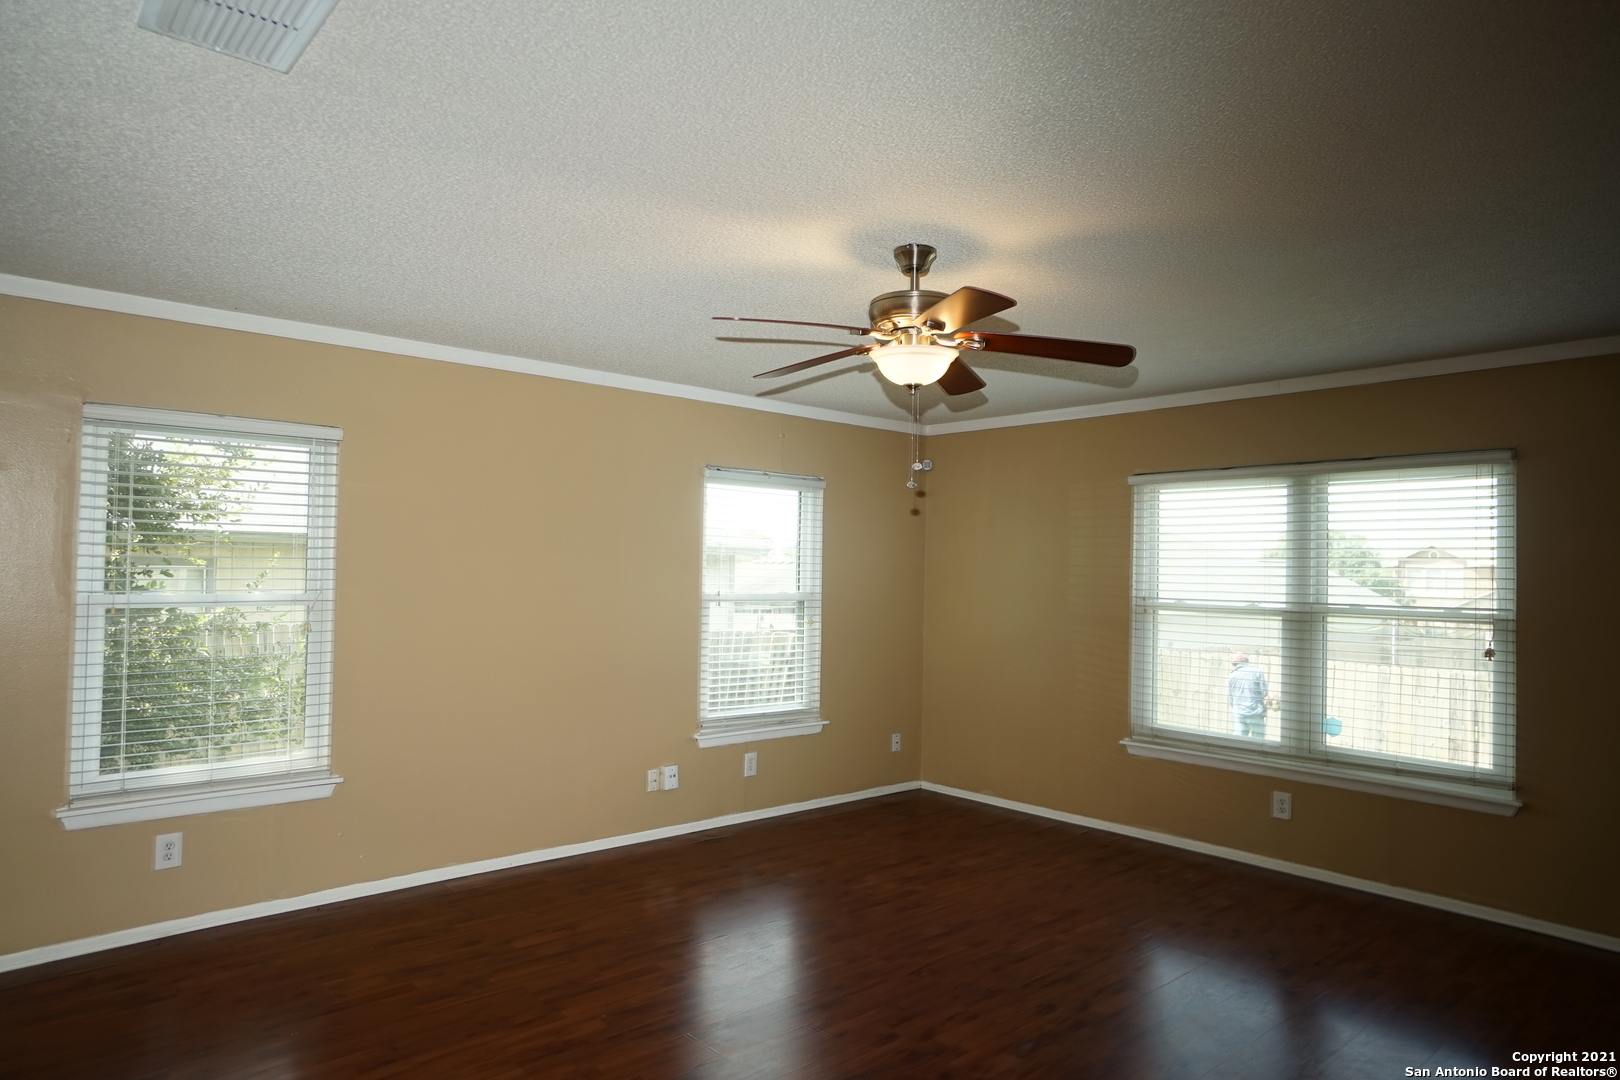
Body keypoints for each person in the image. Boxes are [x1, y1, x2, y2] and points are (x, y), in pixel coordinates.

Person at [1227, 650, 1270, 739]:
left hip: (1239, 714)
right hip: (1255, 713)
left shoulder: (1231, 676)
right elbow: (1264, 693)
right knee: (1258, 742)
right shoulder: (1257, 672)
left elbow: (1230, 697)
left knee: (1239, 742)